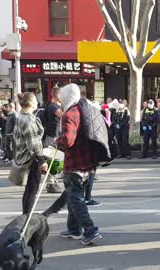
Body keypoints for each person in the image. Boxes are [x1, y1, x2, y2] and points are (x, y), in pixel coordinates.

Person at [57, 84, 102, 245]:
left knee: (75, 197)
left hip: (74, 162)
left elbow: (68, 140)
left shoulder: (69, 114)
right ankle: (73, 228)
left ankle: (90, 230)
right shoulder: (85, 110)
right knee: (73, 196)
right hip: (87, 162)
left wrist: (58, 140)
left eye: (61, 96)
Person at [13, 93, 47, 214]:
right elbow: (33, 143)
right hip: (32, 158)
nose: (37, 103)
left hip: (25, 156)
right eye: (36, 101)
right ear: (31, 103)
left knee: (29, 190)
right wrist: (42, 161)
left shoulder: (21, 116)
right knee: (32, 189)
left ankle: (25, 215)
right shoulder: (28, 119)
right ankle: (27, 218)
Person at [44, 86, 64, 194]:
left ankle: (52, 181)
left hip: (53, 136)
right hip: (52, 137)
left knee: (55, 161)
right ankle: (51, 183)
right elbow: (63, 116)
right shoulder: (53, 106)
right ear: (58, 95)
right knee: (53, 161)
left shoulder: (53, 106)